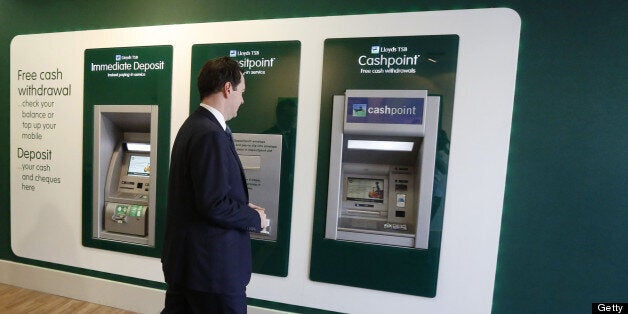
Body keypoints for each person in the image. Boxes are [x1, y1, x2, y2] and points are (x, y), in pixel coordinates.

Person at [161, 56, 267, 314]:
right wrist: (254, 218)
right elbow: (213, 205)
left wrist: (240, 204)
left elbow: (203, 193)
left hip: (189, 265)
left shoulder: (193, 126)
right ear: (227, 88)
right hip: (211, 272)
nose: (242, 100)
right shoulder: (210, 134)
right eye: (241, 92)